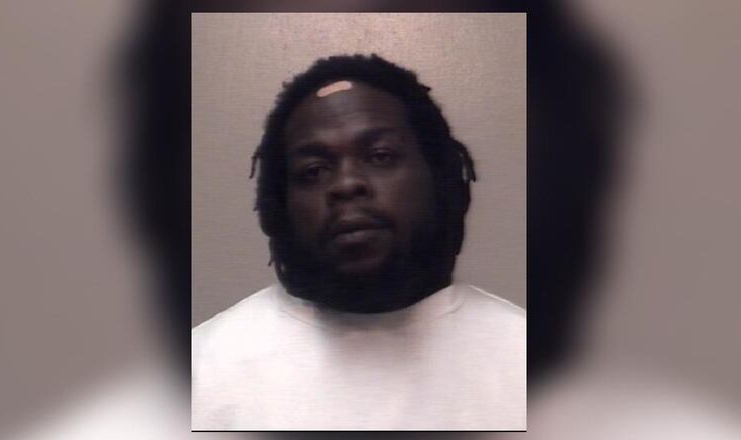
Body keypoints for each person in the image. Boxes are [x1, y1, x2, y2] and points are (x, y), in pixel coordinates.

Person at [192, 54, 525, 430]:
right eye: (313, 171)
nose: (346, 184)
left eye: (380, 156)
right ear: (279, 205)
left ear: (440, 177)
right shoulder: (202, 372)